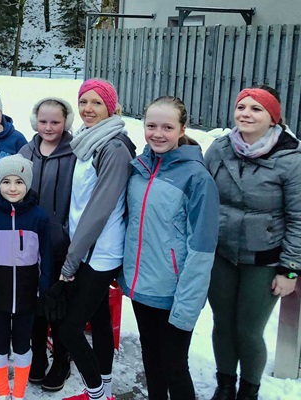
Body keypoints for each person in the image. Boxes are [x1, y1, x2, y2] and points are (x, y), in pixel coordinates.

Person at [204, 86, 301, 400]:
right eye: (241, 107)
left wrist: (289, 270)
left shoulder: (291, 159)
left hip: (264, 260)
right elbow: (201, 197)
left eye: (256, 109)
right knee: (222, 323)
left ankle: (249, 389)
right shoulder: (220, 149)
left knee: (248, 330)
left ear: (273, 118)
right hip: (221, 255)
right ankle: (224, 385)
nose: (245, 114)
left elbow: (298, 218)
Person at [120, 96, 219, 400]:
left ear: (182, 129)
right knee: (151, 359)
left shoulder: (197, 178)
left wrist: (187, 303)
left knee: (174, 365)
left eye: (167, 127)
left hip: (173, 291)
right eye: (151, 126)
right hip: (142, 286)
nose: (158, 134)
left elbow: (202, 248)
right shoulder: (139, 168)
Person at [58, 79, 136, 400]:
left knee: (69, 329)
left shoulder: (113, 148)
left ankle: (97, 394)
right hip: (87, 248)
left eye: (97, 103)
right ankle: (105, 389)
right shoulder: (89, 139)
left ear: (111, 107)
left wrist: (72, 259)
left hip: (99, 252)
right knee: (100, 317)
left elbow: (99, 210)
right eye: (83, 102)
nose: (88, 109)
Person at [0, 154, 53, 400]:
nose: (13, 188)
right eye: (6, 182)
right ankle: (2, 392)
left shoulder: (39, 217)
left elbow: (46, 258)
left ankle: (18, 394)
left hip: (28, 298)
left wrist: (44, 292)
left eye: (19, 182)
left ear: (27, 184)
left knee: (22, 345)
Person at [18, 97, 76, 391]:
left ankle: (62, 358)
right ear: (35, 121)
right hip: (30, 245)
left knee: (58, 305)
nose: (49, 127)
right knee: (35, 304)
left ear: (66, 122)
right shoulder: (25, 152)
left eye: (55, 122)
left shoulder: (75, 154)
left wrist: (66, 233)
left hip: (60, 245)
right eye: (43, 121)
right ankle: (38, 353)